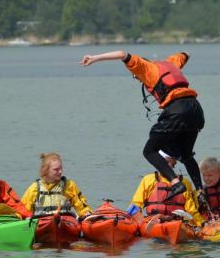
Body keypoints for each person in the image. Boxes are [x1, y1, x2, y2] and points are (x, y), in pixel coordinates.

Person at [79, 50, 205, 199]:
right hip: (196, 109)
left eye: (137, 77)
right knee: (186, 155)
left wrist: (94, 57)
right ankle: (200, 192)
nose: (139, 80)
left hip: (177, 109)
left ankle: (176, 182)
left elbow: (122, 54)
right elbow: (186, 54)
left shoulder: (144, 68)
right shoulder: (171, 62)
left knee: (149, 151)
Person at [128, 150, 204, 226]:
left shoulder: (185, 183)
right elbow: (135, 206)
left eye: (172, 161)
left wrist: (202, 224)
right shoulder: (148, 180)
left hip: (177, 224)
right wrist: (140, 222)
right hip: (153, 222)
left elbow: (192, 210)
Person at [21, 153, 92, 219]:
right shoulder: (34, 188)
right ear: (46, 170)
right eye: (56, 170)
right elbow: (22, 211)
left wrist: (86, 213)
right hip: (42, 225)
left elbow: (82, 206)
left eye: (61, 168)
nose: (60, 171)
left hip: (64, 224)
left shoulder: (69, 185)